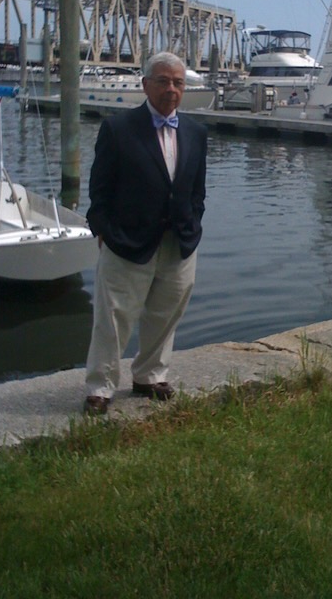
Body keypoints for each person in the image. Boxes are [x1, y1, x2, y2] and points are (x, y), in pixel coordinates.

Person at [83, 51, 208, 415]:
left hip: (179, 241)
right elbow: (99, 191)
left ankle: (149, 375)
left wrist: (193, 223)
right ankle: (101, 386)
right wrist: (104, 231)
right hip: (126, 240)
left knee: (166, 313)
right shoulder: (118, 128)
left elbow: (197, 190)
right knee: (113, 318)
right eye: (163, 81)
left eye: (178, 83)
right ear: (145, 85)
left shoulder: (196, 133)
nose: (172, 89)